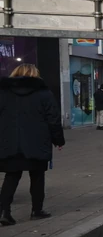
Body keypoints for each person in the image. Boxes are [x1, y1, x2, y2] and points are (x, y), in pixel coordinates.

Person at [0, 64, 66, 225]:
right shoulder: (44, 93)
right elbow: (53, 118)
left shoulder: (3, 93)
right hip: (37, 142)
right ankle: (36, 210)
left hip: (10, 142)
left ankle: (3, 212)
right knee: (37, 176)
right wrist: (58, 140)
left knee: (11, 176)